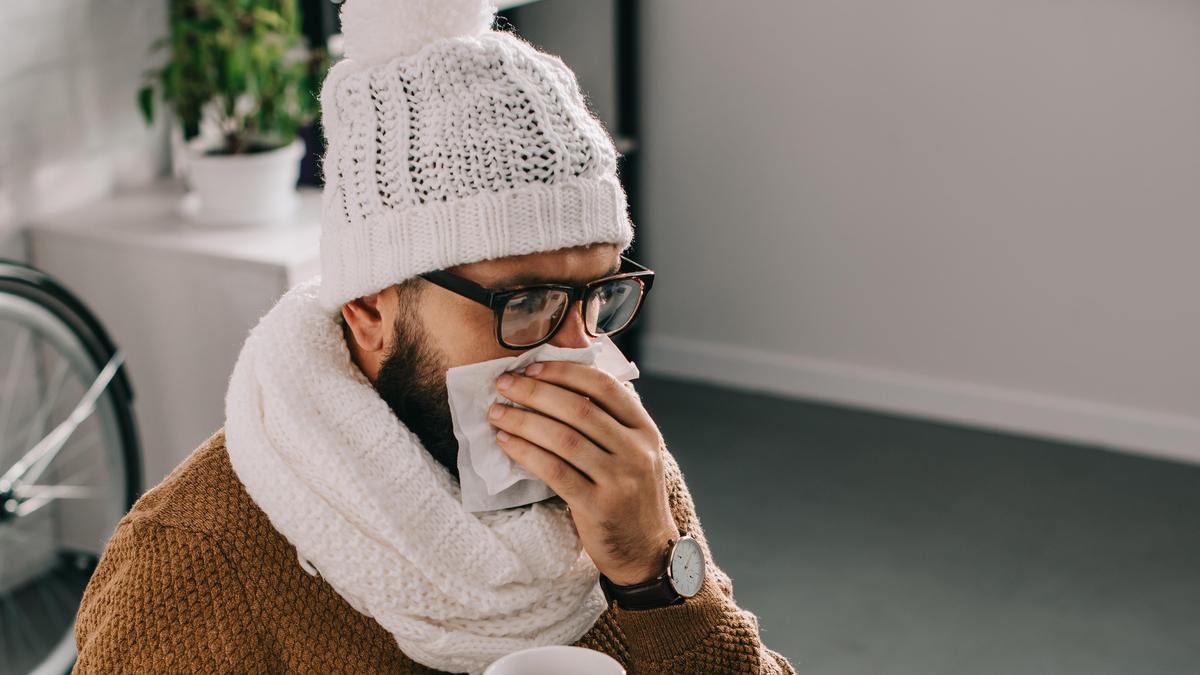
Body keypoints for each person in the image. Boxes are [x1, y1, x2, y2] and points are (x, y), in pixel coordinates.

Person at [71, 1, 795, 673]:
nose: (579, 351)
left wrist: (657, 575)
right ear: (369, 310)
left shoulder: (617, 468)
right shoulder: (195, 561)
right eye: (529, 300)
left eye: (598, 293)